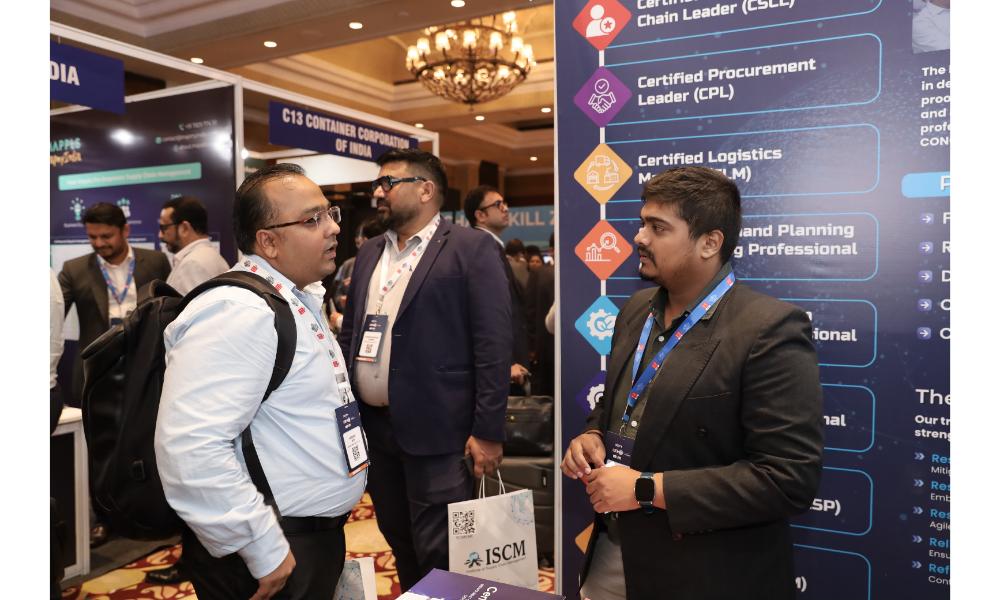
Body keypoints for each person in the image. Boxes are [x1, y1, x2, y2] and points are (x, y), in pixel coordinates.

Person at [561, 166, 823, 600]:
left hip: (704, 574)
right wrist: (593, 435)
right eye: (642, 224)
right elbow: (621, 404)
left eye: (658, 227)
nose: (639, 237)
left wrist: (645, 488)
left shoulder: (769, 329)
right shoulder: (636, 309)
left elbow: (787, 478)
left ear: (709, 243)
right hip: (611, 556)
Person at [155, 163, 367, 599]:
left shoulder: (294, 296)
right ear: (268, 241)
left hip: (306, 539)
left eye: (329, 214)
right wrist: (260, 545)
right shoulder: (240, 310)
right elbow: (191, 444)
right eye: (312, 219)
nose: (333, 228)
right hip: (273, 550)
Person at [339, 148, 512, 591]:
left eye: (388, 183)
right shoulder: (370, 252)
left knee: (442, 549)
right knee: (398, 538)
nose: (378, 193)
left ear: (425, 189)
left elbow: (492, 345)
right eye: (377, 184)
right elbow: (354, 333)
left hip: (441, 431)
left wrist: (488, 430)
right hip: (376, 430)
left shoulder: (469, 249)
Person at [58, 202, 172, 406]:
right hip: (97, 369)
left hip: (146, 364)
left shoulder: (156, 261)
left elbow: (172, 311)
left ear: (125, 230)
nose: (99, 243)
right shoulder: (74, 269)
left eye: (106, 236)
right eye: (92, 237)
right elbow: (54, 315)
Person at [463, 184, 530, 391]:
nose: (505, 208)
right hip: (499, 367)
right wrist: (508, 362)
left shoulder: (491, 246)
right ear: (480, 215)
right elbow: (487, 311)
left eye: (505, 203)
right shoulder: (480, 248)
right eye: (498, 204)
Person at [158, 195, 230, 295]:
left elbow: (198, 305)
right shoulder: (209, 256)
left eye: (163, 227)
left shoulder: (192, 264)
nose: (160, 235)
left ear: (184, 228)